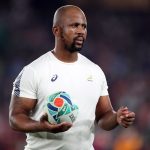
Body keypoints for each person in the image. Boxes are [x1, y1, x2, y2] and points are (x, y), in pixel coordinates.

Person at [9, 5, 135, 150]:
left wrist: (116, 118)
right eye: (74, 26)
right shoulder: (33, 71)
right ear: (56, 30)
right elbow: (15, 118)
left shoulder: (95, 71)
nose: (81, 31)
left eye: (84, 26)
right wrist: (41, 126)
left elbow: (103, 117)